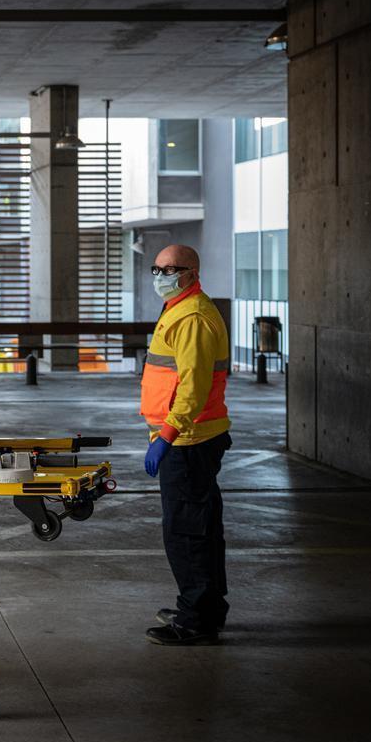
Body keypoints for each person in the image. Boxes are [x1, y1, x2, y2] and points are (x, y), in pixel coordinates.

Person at [140, 244, 231, 646]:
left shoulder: (192, 316)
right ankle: (206, 608)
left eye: (170, 269)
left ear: (191, 272)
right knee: (203, 529)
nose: (161, 276)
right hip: (193, 438)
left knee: (187, 533)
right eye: (156, 269)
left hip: (188, 440)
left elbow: (194, 387)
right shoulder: (179, 308)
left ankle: (195, 621)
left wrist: (167, 436)